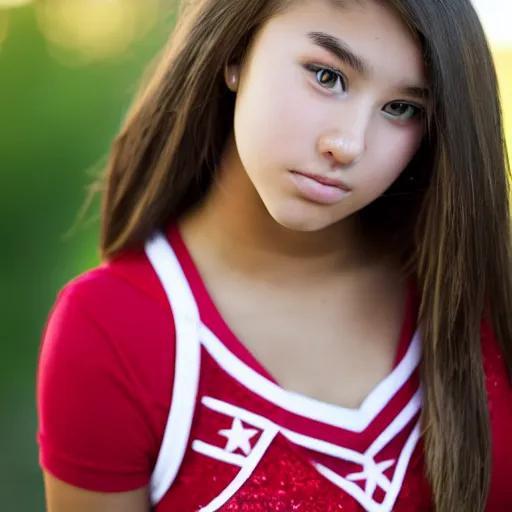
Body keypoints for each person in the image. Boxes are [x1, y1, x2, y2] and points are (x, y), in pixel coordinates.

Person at [36, 0, 512, 510]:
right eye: (327, 76)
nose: (348, 144)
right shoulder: (113, 328)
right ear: (236, 51)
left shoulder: (478, 291)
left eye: (402, 109)